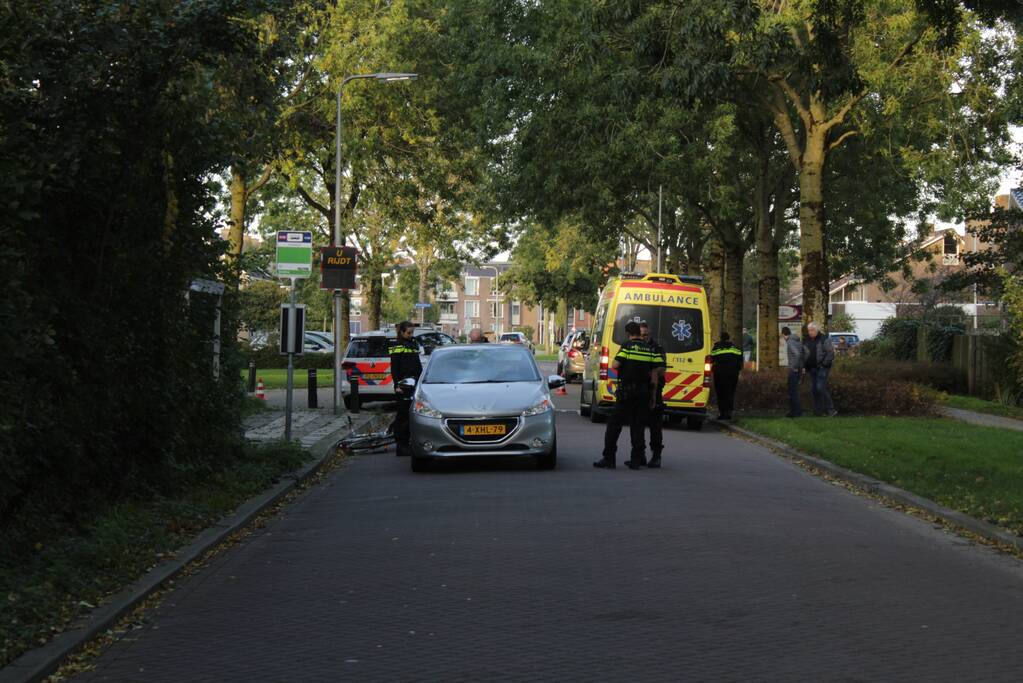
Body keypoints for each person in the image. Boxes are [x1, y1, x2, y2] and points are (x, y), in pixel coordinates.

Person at [594, 321, 659, 470]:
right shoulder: (650, 349)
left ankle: (609, 458)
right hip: (643, 392)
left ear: (628, 334)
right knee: (638, 426)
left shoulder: (627, 346)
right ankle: (636, 461)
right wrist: (653, 396)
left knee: (614, 425)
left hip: (626, 392)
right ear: (639, 333)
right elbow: (654, 373)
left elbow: (615, 365)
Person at [389, 321, 423, 457]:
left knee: (410, 416)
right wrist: (397, 385)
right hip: (403, 385)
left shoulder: (413, 344)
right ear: (402, 332)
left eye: (412, 332)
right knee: (402, 417)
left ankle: (407, 443)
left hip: (413, 384)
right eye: (408, 333)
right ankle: (401, 446)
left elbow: (417, 365)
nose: (410, 335)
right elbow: (394, 368)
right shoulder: (397, 346)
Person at [639, 321, 666, 469]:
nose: (643, 337)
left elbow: (662, 369)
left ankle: (656, 456)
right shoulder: (637, 347)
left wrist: (649, 371)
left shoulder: (657, 348)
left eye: (646, 335)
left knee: (655, 425)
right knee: (639, 424)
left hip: (654, 389)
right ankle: (640, 454)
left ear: (650, 334)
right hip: (640, 389)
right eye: (641, 335)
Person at [804, 322, 837, 416]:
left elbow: (830, 353)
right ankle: (818, 411)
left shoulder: (824, 339)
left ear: (816, 330)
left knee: (820, 388)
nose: (810, 332)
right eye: (809, 330)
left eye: (812, 330)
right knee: (814, 389)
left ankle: (831, 410)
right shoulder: (807, 340)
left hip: (822, 368)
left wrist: (824, 364)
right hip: (811, 368)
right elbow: (805, 353)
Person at [710, 332, 743, 419]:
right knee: (730, 393)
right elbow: (740, 359)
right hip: (733, 374)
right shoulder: (735, 348)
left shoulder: (716, 347)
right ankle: (729, 413)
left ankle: (722, 413)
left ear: (720, 338)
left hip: (719, 375)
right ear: (728, 338)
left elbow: (711, 359)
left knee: (720, 393)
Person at [781, 326, 806, 418]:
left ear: (783, 334)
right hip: (799, 368)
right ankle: (796, 411)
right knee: (795, 391)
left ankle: (795, 412)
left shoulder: (790, 342)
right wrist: (801, 364)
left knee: (792, 391)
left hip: (793, 369)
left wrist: (794, 366)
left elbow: (797, 354)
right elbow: (806, 352)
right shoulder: (798, 341)